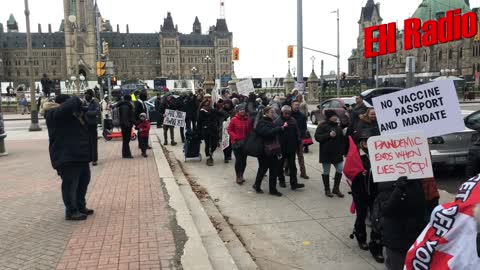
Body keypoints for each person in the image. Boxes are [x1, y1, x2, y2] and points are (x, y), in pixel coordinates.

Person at [44, 94, 93, 221]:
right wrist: (77, 98)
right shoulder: (53, 113)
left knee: (83, 181)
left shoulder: (73, 114)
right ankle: (71, 211)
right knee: (70, 185)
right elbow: (68, 106)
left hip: (79, 155)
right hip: (66, 156)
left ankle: (80, 206)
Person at [349, 128, 384, 262]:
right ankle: (361, 237)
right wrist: (359, 174)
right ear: (361, 143)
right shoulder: (356, 156)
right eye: (365, 142)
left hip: (375, 192)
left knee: (376, 217)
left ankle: (376, 242)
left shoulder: (380, 155)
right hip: (360, 192)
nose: (367, 144)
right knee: (361, 215)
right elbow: (349, 172)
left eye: (370, 142)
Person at [376, 177, 426, 270]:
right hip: (396, 238)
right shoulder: (387, 181)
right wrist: (399, 188)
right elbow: (386, 209)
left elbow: (422, 207)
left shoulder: (416, 180)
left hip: (415, 235)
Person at [253, 106, 286, 196]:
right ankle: (257, 185)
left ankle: (273, 189)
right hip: (264, 151)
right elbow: (267, 133)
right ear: (266, 113)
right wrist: (279, 128)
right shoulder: (261, 123)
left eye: (274, 112)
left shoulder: (272, 122)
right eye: (271, 112)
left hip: (273, 150)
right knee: (263, 169)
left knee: (274, 170)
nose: (273, 114)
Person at [315, 110, 346, 198]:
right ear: (329, 117)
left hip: (337, 153)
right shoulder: (322, 126)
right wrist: (328, 135)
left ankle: (336, 189)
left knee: (340, 169)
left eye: (336, 116)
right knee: (326, 171)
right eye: (333, 116)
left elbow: (342, 140)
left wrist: (343, 151)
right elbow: (317, 137)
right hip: (326, 153)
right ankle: (327, 189)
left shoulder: (338, 126)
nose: (335, 117)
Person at [274, 105, 305, 190]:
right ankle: (281, 180)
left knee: (293, 166)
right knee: (280, 166)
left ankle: (294, 183)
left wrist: (298, 142)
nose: (287, 115)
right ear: (282, 113)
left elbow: (297, 132)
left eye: (289, 113)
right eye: (285, 113)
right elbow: (274, 134)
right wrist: (282, 128)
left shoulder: (293, 120)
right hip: (281, 148)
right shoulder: (277, 121)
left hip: (291, 147)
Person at [227, 104, 252, 184]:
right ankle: (238, 176)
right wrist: (235, 137)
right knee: (238, 160)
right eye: (240, 110)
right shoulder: (234, 119)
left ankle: (241, 174)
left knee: (244, 161)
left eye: (243, 109)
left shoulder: (248, 119)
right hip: (236, 143)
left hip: (245, 143)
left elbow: (250, 131)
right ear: (237, 111)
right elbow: (229, 130)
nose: (242, 111)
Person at [198, 96, 222, 166]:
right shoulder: (202, 111)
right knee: (207, 144)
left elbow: (221, 114)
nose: (208, 103)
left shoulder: (213, 110)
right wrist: (199, 131)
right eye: (206, 102)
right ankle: (209, 158)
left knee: (214, 143)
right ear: (204, 103)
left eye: (209, 102)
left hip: (214, 129)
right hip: (206, 129)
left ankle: (211, 152)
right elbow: (199, 122)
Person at [291, 100, 309, 179]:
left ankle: (303, 172)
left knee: (300, 156)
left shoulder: (302, 116)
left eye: (298, 105)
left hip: (299, 139)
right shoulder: (289, 115)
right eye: (295, 105)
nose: (297, 106)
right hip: (290, 139)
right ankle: (287, 169)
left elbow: (304, 127)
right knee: (290, 156)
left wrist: (303, 136)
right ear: (292, 105)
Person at [83, 89, 100, 166]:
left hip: (92, 125)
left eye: (87, 94)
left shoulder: (95, 102)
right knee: (87, 142)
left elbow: (95, 112)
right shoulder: (83, 102)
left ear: (91, 95)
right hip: (85, 125)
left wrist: (86, 112)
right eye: (85, 94)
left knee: (93, 142)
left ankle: (94, 159)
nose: (86, 96)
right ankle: (89, 158)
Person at [117, 94, 135, 158]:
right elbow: (125, 116)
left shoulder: (122, 105)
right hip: (126, 125)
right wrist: (128, 124)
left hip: (123, 124)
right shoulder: (126, 106)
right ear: (129, 99)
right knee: (126, 140)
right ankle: (127, 154)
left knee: (125, 140)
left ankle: (124, 154)